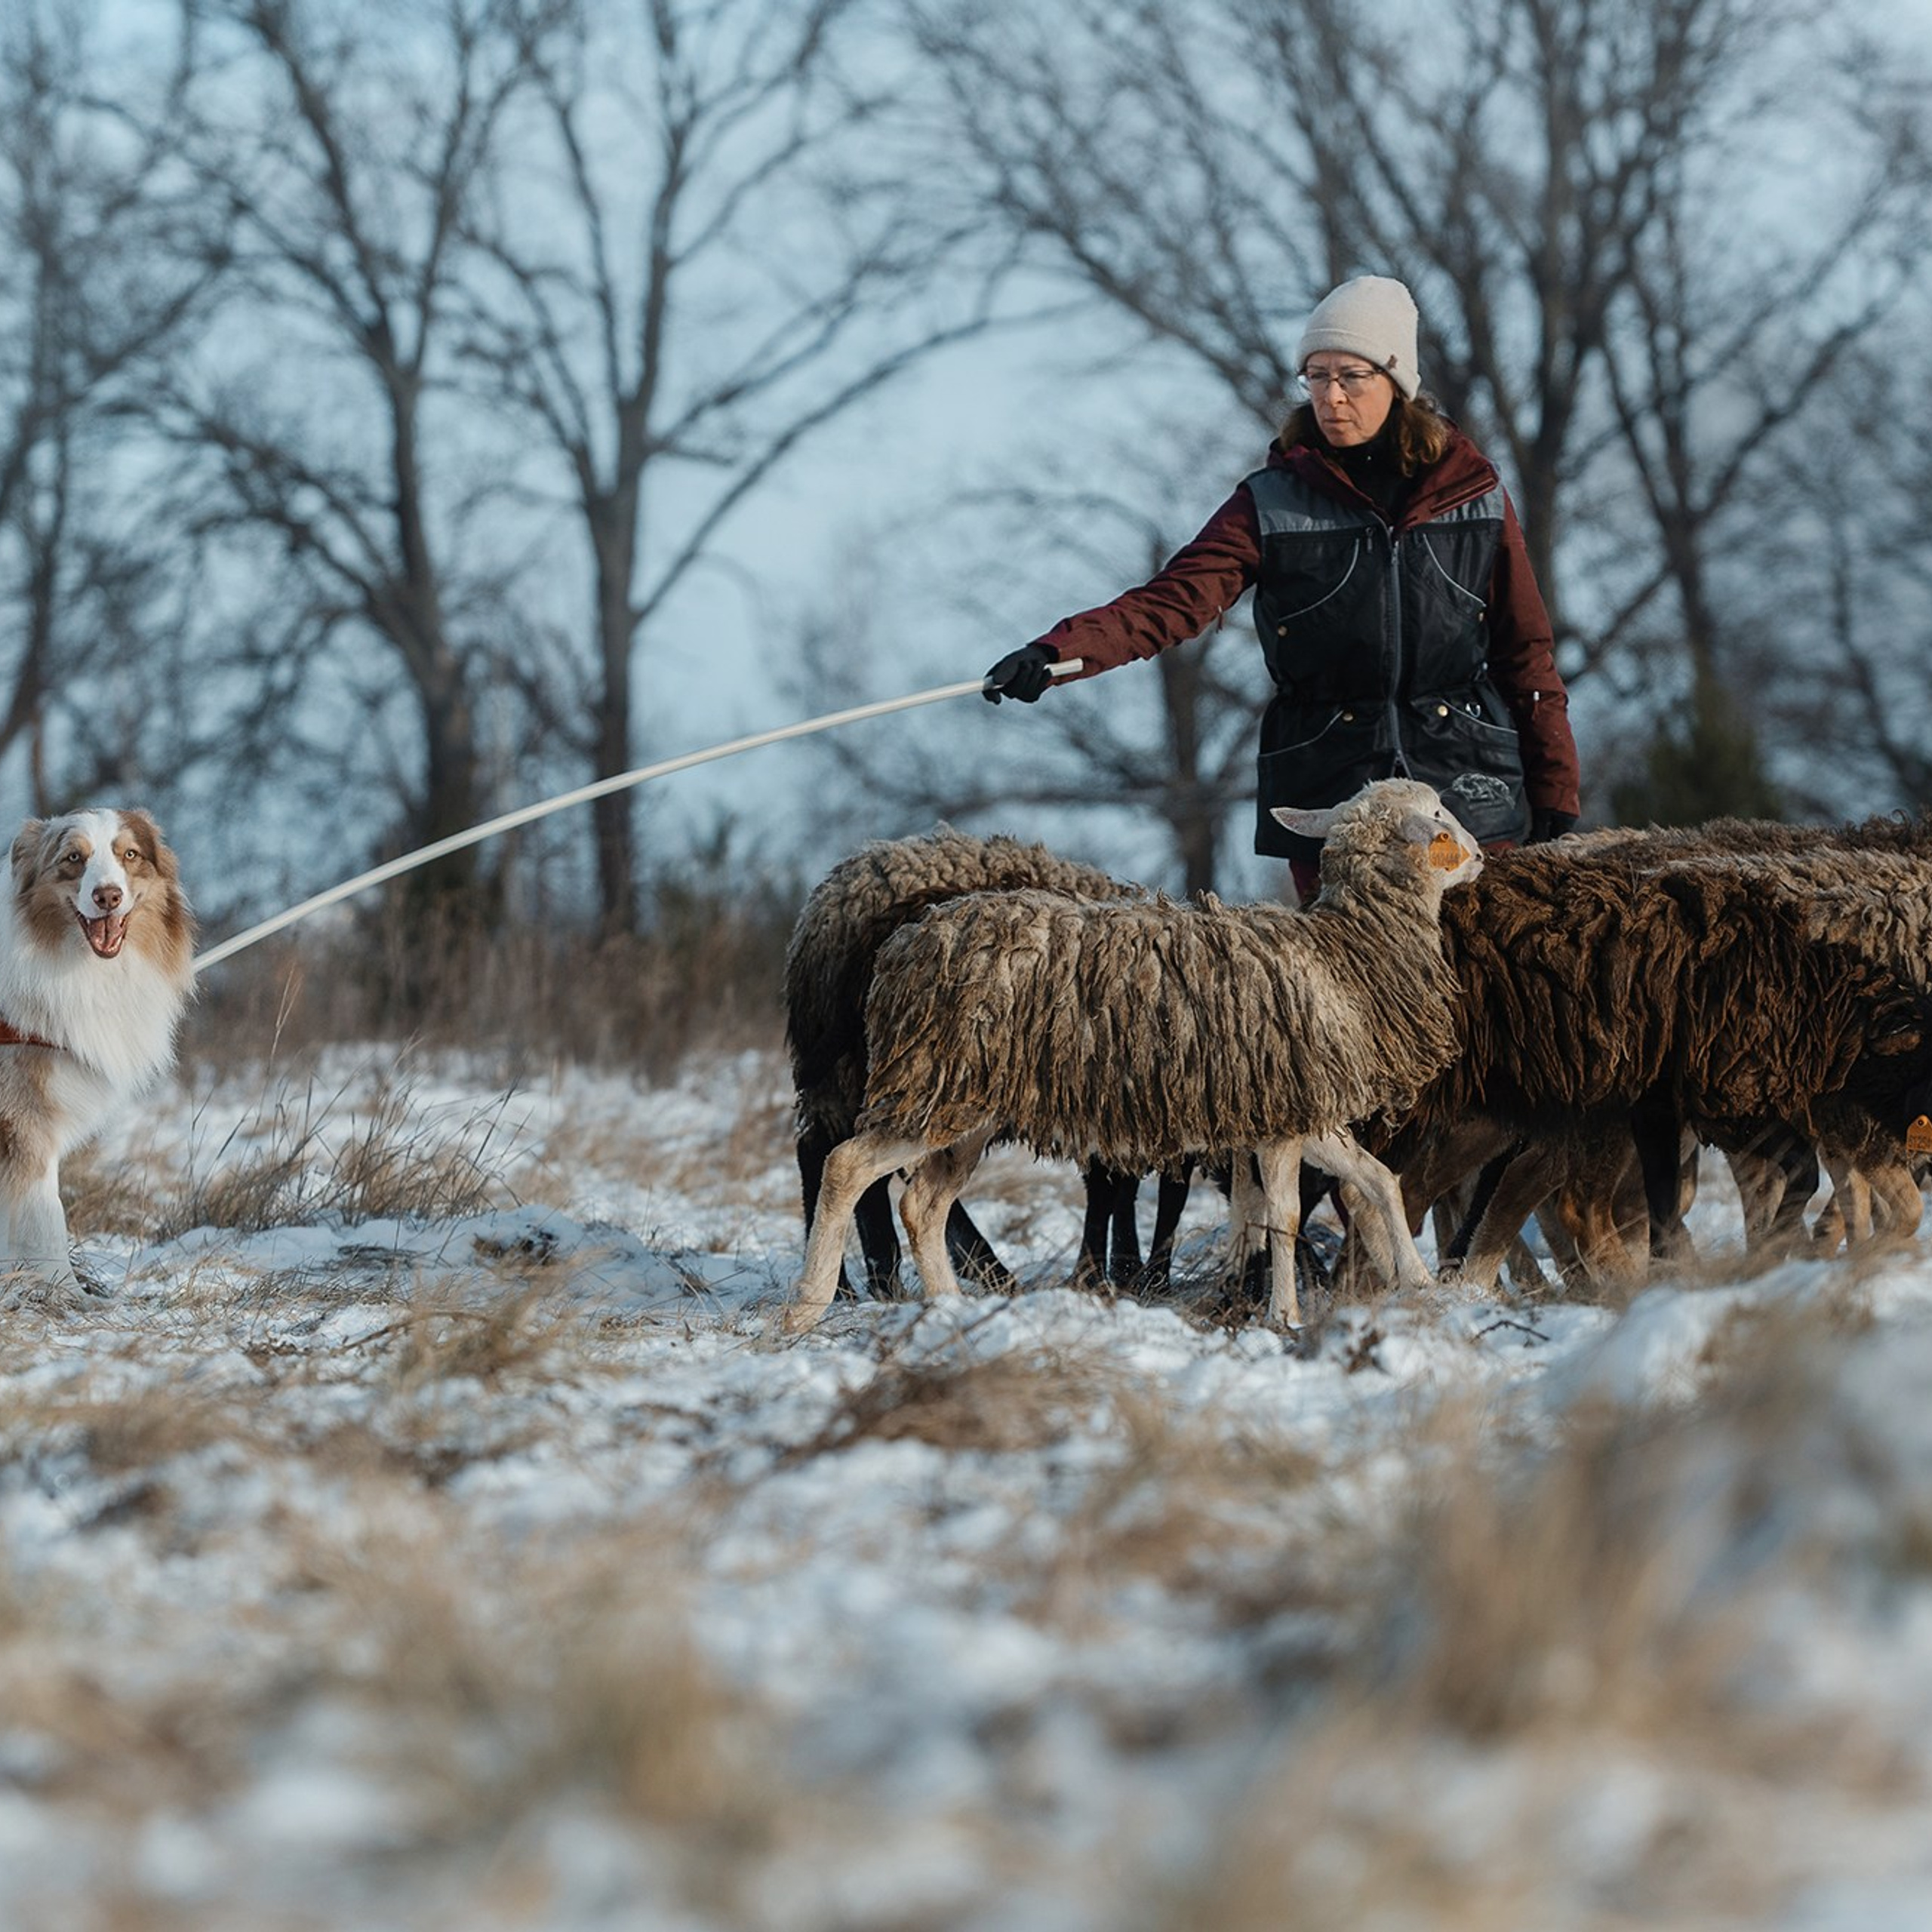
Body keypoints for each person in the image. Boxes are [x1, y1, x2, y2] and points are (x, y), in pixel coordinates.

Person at [983, 275, 1581, 901]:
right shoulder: (1270, 505)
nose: (1331, 396)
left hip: (1465, 787)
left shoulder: (1476, 497)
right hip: (1330, 795)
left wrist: (1556, 787)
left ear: (1396, 381)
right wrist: (1056, 654)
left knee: (1478, 956)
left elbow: (1526, 652)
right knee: (1358, 959)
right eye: (1316, 377)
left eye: (1351, 376)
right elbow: (1171, 603)